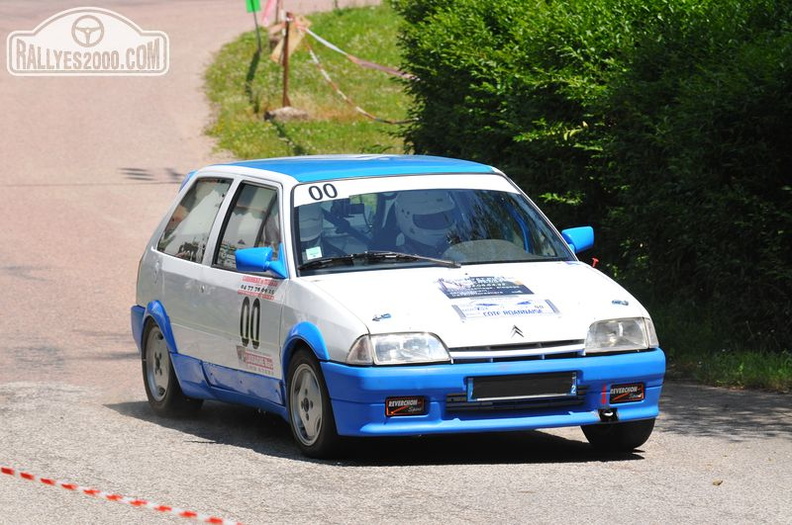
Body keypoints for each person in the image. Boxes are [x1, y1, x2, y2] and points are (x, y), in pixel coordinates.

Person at [394, 190, 458, 257]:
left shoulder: (462, 245)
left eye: (442, 218)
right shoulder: (394, 258)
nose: (438, 223)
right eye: (429, 219)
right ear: (405, 218)